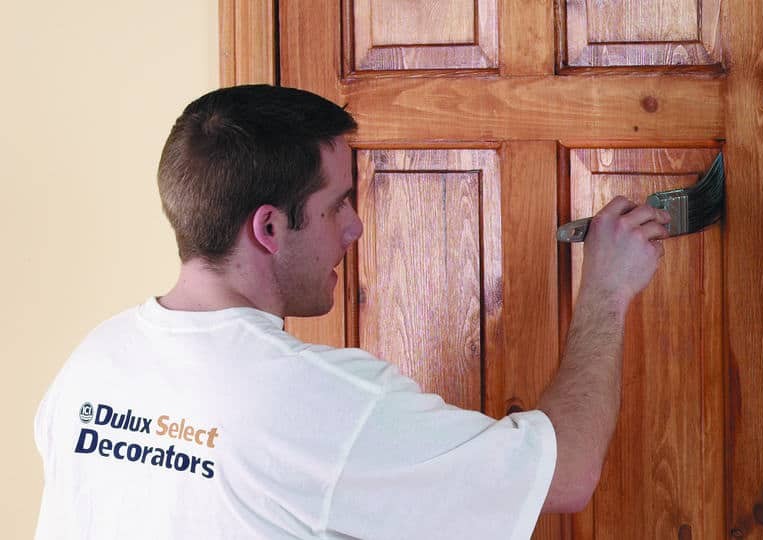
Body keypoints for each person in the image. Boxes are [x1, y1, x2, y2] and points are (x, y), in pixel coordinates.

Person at [34, 85, 670, 539]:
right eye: (338, 204)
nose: (356, 226)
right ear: (269, 226)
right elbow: (564, 477)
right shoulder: (318, 402)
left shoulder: (94, 360)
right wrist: (607, 292)